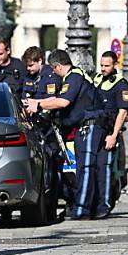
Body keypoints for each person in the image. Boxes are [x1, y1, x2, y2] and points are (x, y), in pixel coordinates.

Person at [25, 50, 103, 220]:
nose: (53, 73)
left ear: (59, 66)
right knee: (83, 169)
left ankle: (82, 209)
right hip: (83, 127)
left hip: (89, 126)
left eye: (54, 69)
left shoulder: (73, 76)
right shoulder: (73, 77)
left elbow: (62, 101)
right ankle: (84, 206)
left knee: (86, 169)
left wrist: (37, 104)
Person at [20, 46, 65, 211]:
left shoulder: (50, 76)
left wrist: (38, 106)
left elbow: (53, 100)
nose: (28, 69)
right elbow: (25, 97)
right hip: (34, 126)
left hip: (49, 127)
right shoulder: (29, 77)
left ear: (40, 61)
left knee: (52, 164)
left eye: (31, 65)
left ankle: (53, 202)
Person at [92, 51, 128, 218]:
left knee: (105, 169)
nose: (103, 69)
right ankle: (93, 203)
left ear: (115, 65)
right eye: (101, 65)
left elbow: (123, 112)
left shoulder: (121, 84)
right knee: (92, 169)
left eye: (107, 66)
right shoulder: (97, 80)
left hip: (110, 131)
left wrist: (114, 135)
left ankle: (105, 205)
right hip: (96, 130)